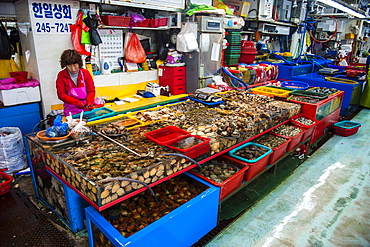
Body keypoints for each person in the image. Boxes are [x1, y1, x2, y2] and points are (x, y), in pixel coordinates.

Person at [56, 49, 96, 116]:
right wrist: (76, 102)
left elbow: (91, 91)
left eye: (75, 65)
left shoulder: (85, 73)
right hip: (71, 109)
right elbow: (61, 94)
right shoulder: (61, 75)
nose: (73, 69)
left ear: (79, 63)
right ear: (65, 65)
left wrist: (89, 102)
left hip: (87, 108)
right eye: (69, 66)